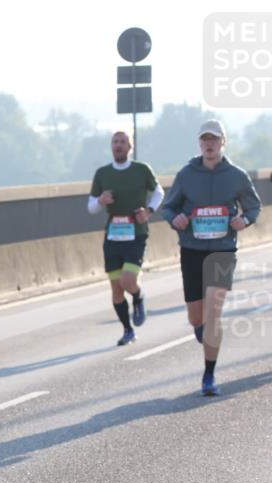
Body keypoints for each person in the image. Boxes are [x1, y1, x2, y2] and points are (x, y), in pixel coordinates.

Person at [161, 119, 262, 396]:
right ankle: (201, 328)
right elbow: (168, 208)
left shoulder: (237, 175)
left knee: (213, 313)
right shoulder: (186, 174)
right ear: (199, 143)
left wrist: (246, 220)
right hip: (192, 250)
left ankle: (209, 375)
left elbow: (254, 206)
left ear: (223, 143)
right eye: (205, 139)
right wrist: (176, 218)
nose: (209, 144)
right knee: (197, 317)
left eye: (214, 139)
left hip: (222, 251)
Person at [88, 130, 164, 345]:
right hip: (113, 235)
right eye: (115, 142)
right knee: (116, 289)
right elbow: (91, 207)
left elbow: (159, 192)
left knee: (128, 280)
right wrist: (101, 200)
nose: (118, 145)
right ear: (111, 146)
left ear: (130, 147)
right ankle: (127, 330)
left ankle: (138, 296)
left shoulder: (142, 170)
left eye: (123, 142)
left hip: (136, 233)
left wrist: (148, 211)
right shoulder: (102, 173)